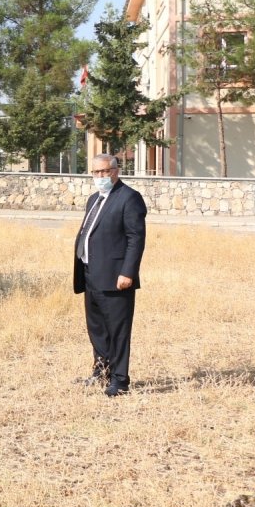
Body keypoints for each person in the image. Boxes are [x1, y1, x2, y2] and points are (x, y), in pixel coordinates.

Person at [73, 154, 147, 397]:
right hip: (91, 273)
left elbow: (135, 239)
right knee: (97, 328)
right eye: (95, 172)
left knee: (118, 330)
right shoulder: (94, 199)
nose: (100, 177)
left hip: (116, 277)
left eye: (104, 172)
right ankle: (101, 371)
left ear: (116, 171)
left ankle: (120, 380)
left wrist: (128, 272)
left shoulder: (129, 198)